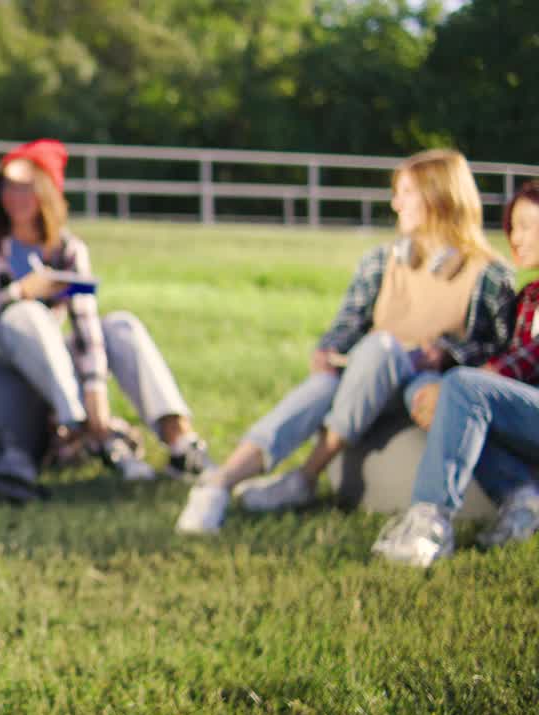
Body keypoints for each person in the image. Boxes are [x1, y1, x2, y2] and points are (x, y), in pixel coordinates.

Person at [177, 148, 516, 534]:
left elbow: (500, 352)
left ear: (439, 197)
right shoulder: (380, 262)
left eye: (406, 193)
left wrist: (446, 355)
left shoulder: (489, 275)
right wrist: (327, 349)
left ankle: (304, 475)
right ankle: (219, 484)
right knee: (331, 379)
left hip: (425, 389)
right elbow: (347, 326)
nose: (395, 203)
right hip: (368, 378)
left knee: (381, 349)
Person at [0, 139, 213, 481]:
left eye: (27, 187)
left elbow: (85, 323)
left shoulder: (67, 249)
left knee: (120, 325)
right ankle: (87, 430)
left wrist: (96, 391)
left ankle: (180, 441)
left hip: (54, 361)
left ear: (46, 192)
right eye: (9, 185)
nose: (15, 196)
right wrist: (22, 291)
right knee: (30, 313)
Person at [372, 181, 539, 566]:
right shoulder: (529, 297)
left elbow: (526, 359)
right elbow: (498, 351)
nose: (516, 236)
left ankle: (429, 523)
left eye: (528, 225)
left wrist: (469, 382)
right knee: (440, 389)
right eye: (513, 226)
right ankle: (523, 499)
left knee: (463, 388)